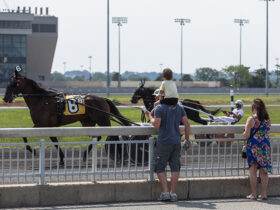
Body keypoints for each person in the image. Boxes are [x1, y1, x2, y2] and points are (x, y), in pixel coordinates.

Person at [145, 100, 190, 202]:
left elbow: (156, 125)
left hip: (164, 142)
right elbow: (187, 124)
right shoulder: (179, 107)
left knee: (160, 167)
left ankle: (165, 192)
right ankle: (173, 193)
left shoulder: (160, 108)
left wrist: (149, 116)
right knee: (175, 167)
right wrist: (187, 139)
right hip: (176, 141)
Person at [243, 98, 272, 200]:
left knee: (253, 171)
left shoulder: (251, 119)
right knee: (264, 171)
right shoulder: (267, 119)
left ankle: (254, 194)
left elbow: (246, 135)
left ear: (254, 108)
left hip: (253, 147)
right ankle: (264, 194)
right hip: (265, 146)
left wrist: (244, 132)